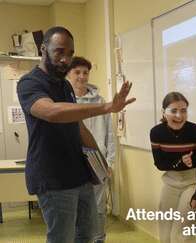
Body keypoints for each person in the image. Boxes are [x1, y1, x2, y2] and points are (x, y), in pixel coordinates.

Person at [17, 26, 135, 243]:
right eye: (59, 51)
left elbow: (79, 127)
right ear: (43, 49)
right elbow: (52, 112)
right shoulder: (29, 83)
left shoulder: (65, 85)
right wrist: (106, 107)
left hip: (80, 176)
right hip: (53, 178)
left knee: (87, 235)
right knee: (62, 238)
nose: (65, 59)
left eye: (70, 53)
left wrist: (101, 165)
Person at [150, 92, 196, 243]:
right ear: (164, 112)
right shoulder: (156, 133)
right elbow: (159, 164)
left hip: (192, 183)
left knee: (181, 234)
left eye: (183, 110)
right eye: (174, 111)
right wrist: (180, 162)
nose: (179, 115)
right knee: (164, 232)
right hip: (170, 183)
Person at [67, 56, 115, 243]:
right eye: (77, 72)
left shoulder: (100, 101)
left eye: (85, 72)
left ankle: (98, 239)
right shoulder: (63, 100)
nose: (81, 76)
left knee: (98, 207)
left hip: (98, 163)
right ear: (68, 74)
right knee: (76, 208)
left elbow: (110, 135)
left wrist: (109, 162)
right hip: (72, 165)